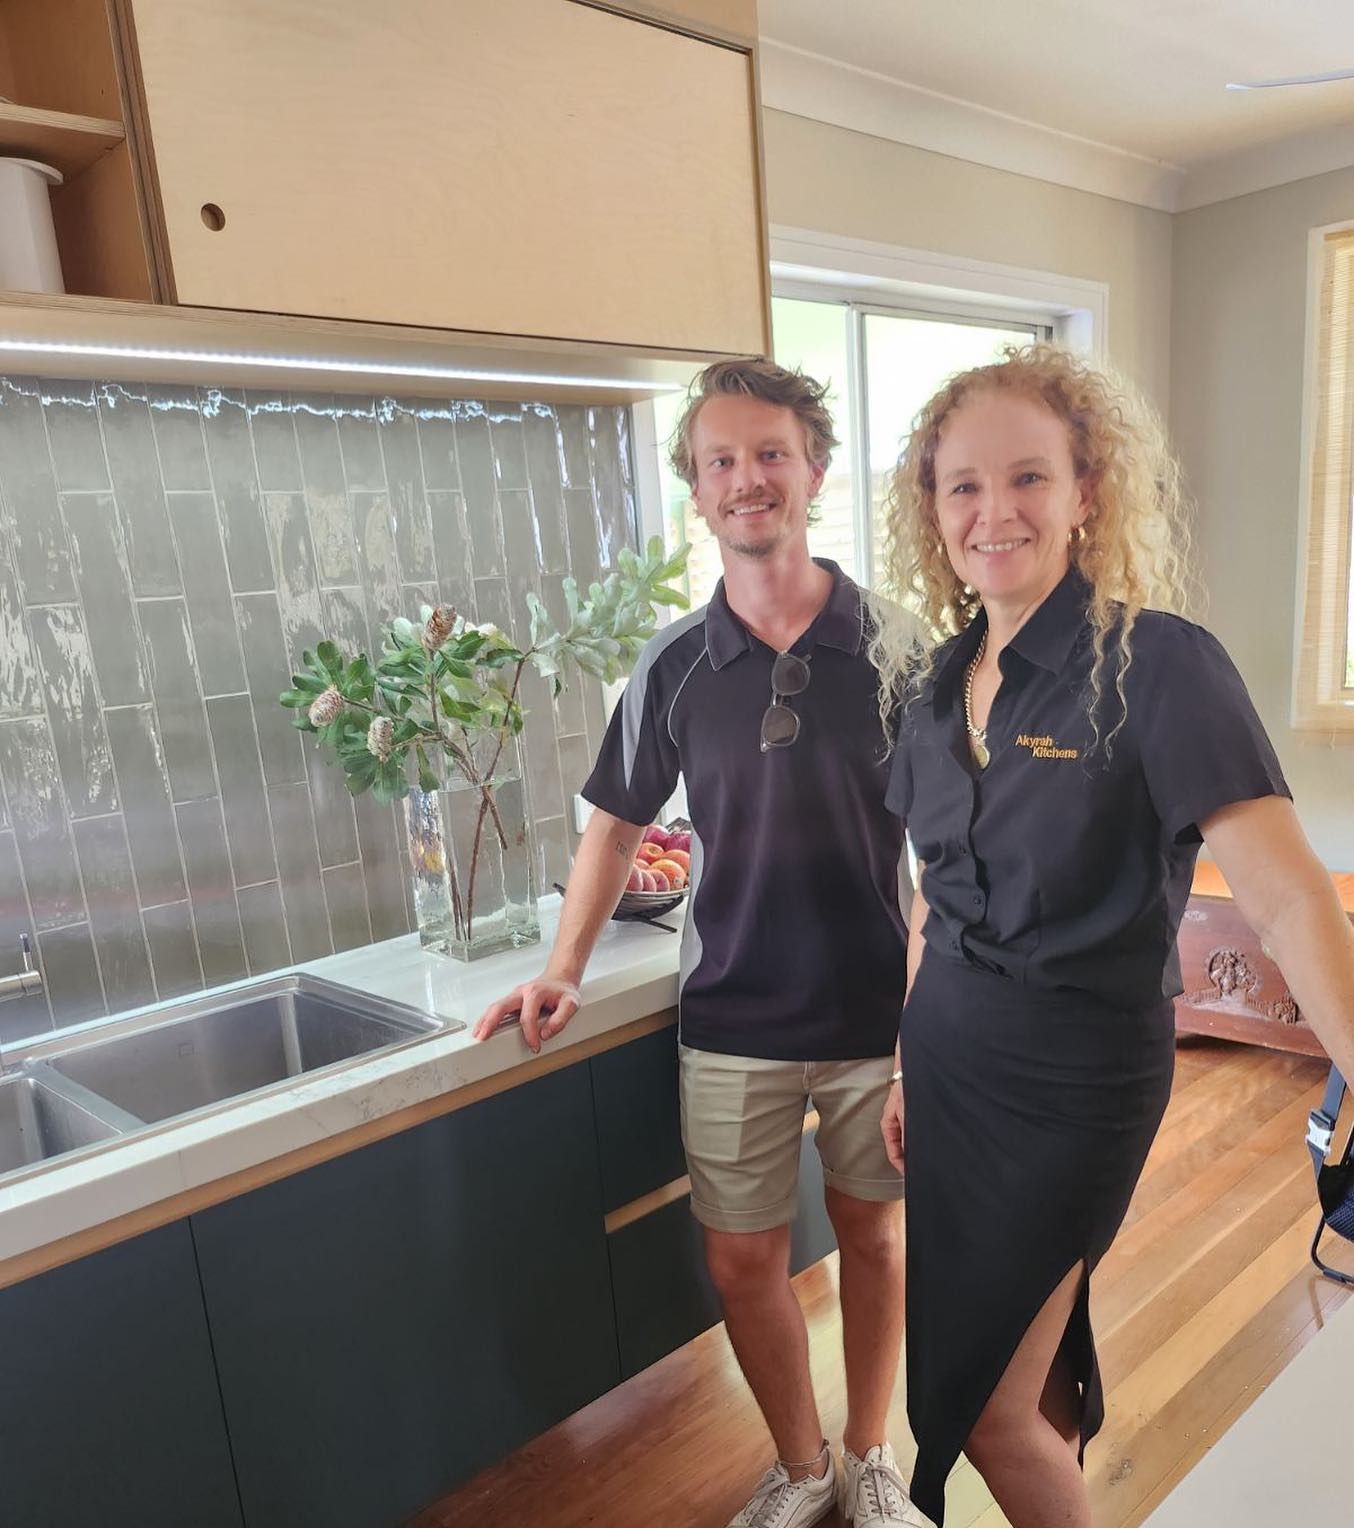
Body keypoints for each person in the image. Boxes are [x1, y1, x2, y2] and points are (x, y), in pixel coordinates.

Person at [869, 343, 1354, 1528]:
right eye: (963, 487)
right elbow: (936, 894)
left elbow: (1288, 897)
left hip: (1074, 1082)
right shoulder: (934, 688)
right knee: (1021, 1371)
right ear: (931, 514)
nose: (994, 513)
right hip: (947, 1064)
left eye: (1028, 478)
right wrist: (898, 1062)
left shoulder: (1157, 664)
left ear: (1087, 491)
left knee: (985, 1409)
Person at [476, 358, 924, 1527]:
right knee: (740, 1260)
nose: (746, 479)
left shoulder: (899, 647)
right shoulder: (673, 663)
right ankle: (800, 1464)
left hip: (880, 1011)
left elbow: (951, 849)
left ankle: (871, 1454)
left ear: (813, 468)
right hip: (731, 1010)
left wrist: (932, 1013)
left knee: (875, 1239)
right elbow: (615, 826)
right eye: (720, 460)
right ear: (696, 489)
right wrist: (562, 967)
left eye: (769, 452)